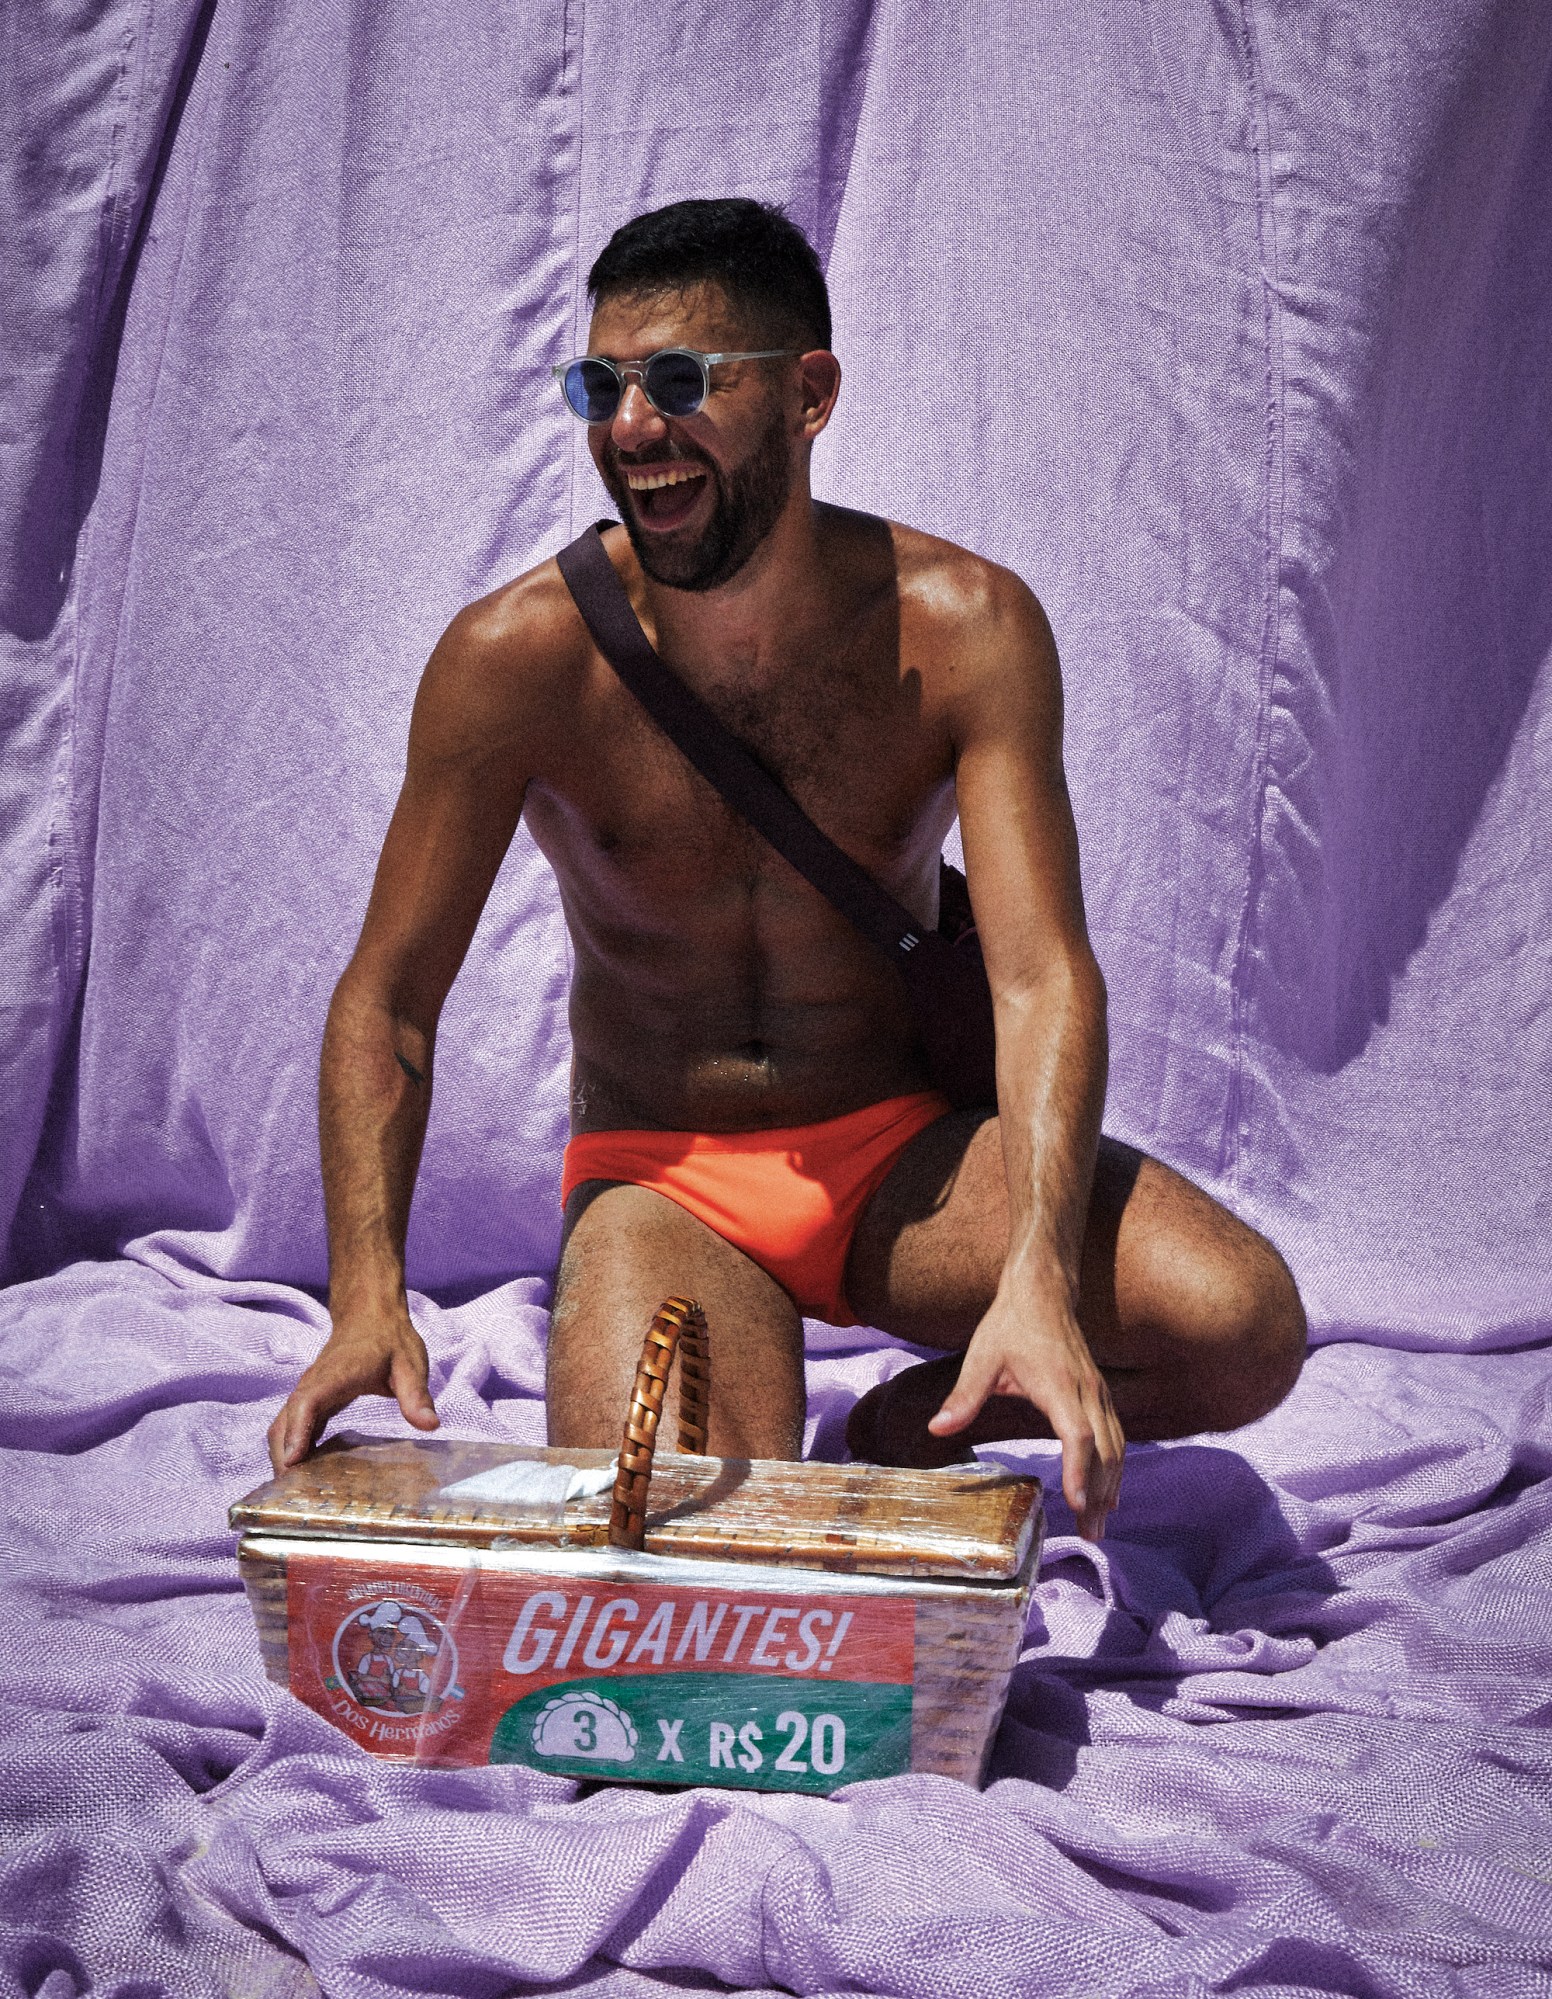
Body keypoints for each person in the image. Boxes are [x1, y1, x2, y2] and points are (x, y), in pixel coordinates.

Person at [268, 198, 1305, 1541]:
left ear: (809, 395)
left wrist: (1039, 1279)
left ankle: (902, 1430)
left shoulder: (967, 627)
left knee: (1242, 1327)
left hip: (901, 1162)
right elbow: (388, 1000)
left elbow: (1042, 978)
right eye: (600, 387)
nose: (632, 428)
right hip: (665, 1173)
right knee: (677, 1544)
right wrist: (365, 1295)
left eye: (680, 381)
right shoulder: (514, 660)